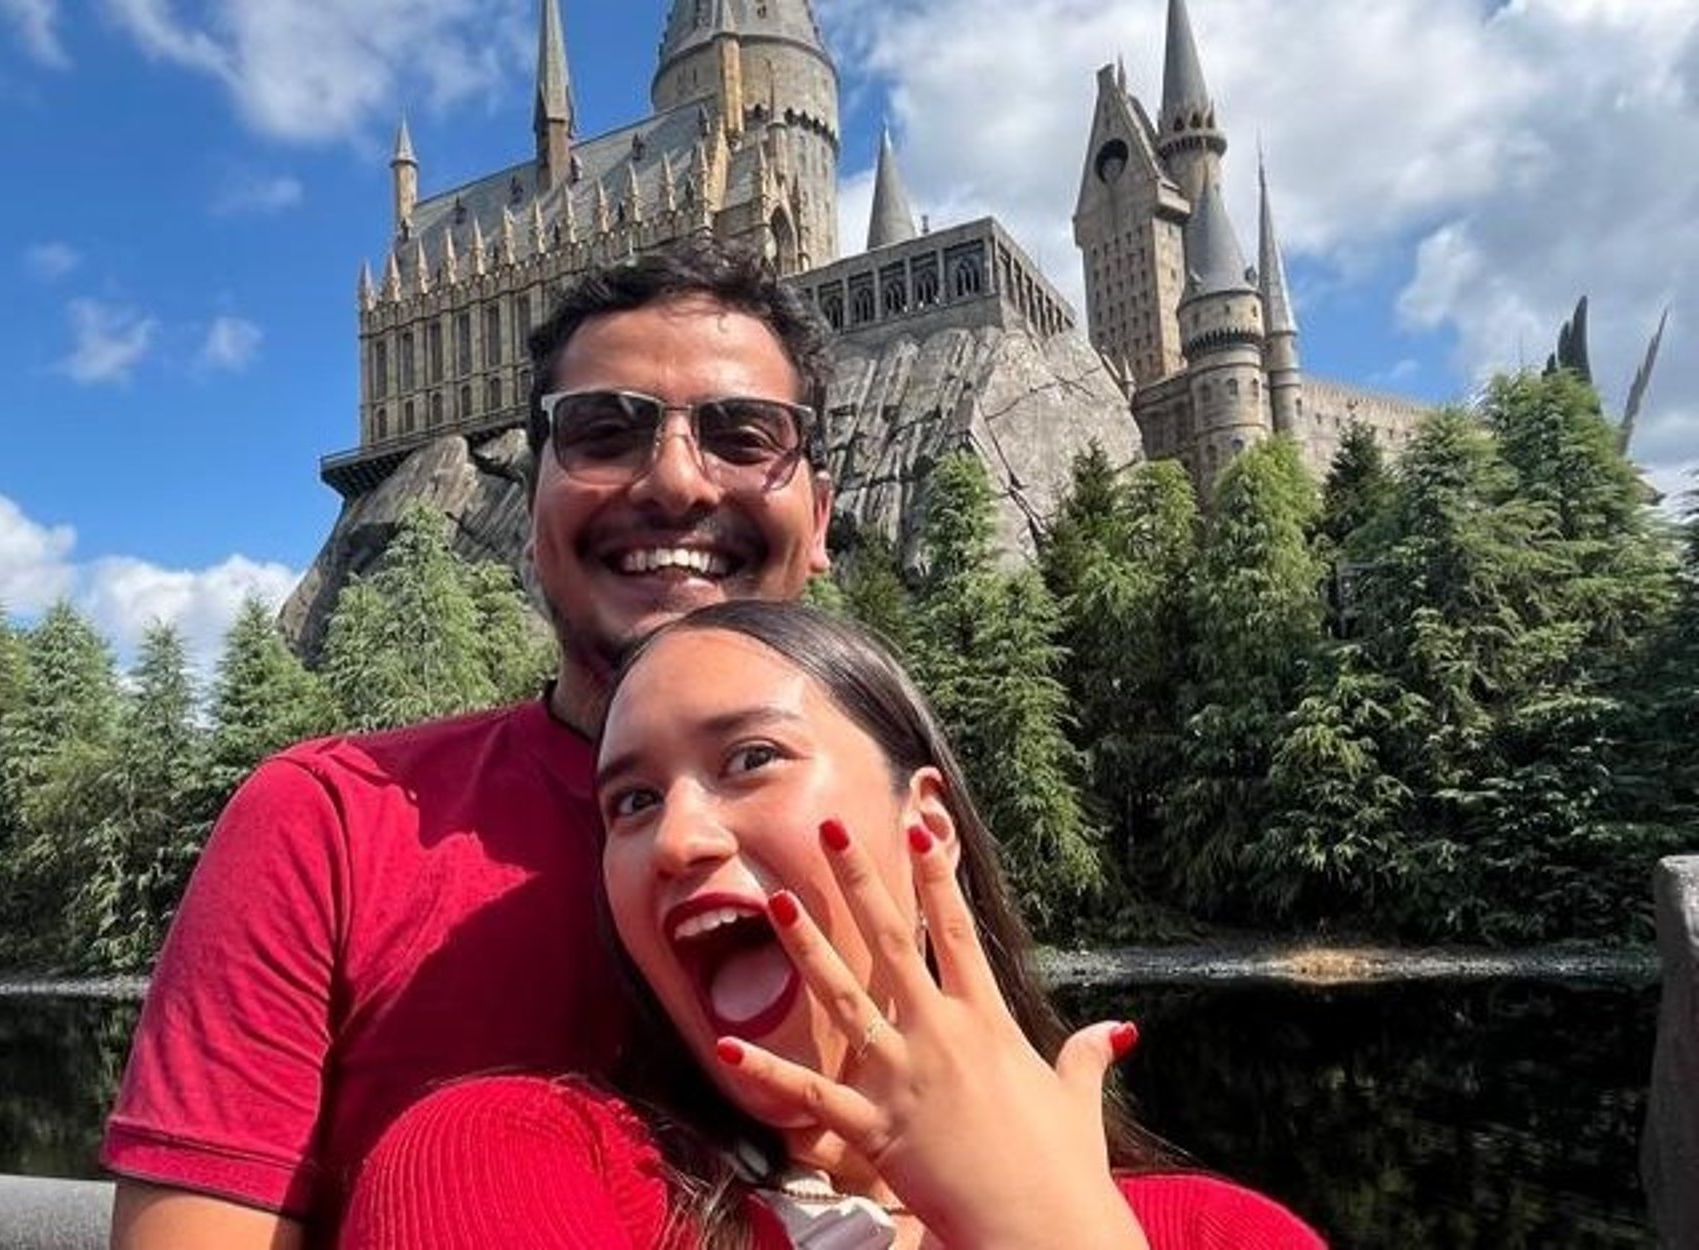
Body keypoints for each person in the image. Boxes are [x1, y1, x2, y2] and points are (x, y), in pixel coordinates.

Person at [102, 235, 837, 1249]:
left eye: (744, 434)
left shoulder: (900, 824)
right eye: (603, 431)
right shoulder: (329, 824)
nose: (675, 481)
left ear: (823, 514)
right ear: (528, 508)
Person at [339, 601, 1326, 1249]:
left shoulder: (1217, 1231)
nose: (676, 835)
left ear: (924, 826)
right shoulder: (502, 1155)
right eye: (629, 802)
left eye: (751, 756)